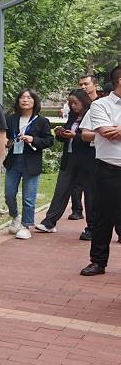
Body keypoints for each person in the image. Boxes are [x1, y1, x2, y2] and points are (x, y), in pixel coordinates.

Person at [79, 65, 121, 276]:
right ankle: (98, 261)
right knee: (103, 217)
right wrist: (112, 131)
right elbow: (105, 132)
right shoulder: (100, 105)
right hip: (109, 169)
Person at [35, 89, 95, 233]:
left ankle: (92, 227)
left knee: (90, 195)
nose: (73, 106)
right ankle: (49, 222)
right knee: (61, 190)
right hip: (69, 159)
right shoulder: (72, 117)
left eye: (75, 103)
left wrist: (75, 136)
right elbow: (67, 137)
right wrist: (61, 134)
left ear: (83, 101)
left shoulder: (92, 115)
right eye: (70, 103)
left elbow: (92, 139)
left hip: (87, 160)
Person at [2, 89, 53, 239]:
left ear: (34, 101)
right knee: (9, 194)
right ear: (18, 101)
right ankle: (15, 216)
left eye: (29, 98)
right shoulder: (11, 119)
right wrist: (6, 141)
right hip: (13, 161)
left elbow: (49, 140)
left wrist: (33, 139)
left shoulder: (41, 121)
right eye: (22, 97)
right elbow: (4, 136)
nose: (25, 100)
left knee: (28, 197)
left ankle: (26, 226)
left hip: (31, 162)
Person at [69, 74, 101, 220]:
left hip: (104, 156)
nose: (83, 87)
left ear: (95, 85)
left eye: (86, 84)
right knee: (87, 190)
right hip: (83, 156)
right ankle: (89, 223)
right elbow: (84, 134)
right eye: (80, 84)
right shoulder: (83, 110)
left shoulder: (102, 104)